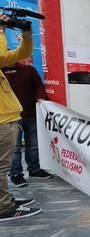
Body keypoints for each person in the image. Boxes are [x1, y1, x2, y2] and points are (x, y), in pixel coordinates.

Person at [0, 15, 42, 221]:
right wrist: (0, 29)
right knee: (2, 166)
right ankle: (3, 207)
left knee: (3, 165)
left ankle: (4, 199)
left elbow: (21, 53)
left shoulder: (24, 67)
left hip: (7, 116)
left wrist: (26, 34)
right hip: (1, 119)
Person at [2, 57, 52, 187]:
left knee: (34, 145)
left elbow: (39, 86)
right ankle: (15, 174)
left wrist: (40, 97)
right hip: (11, 117)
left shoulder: (29, 70)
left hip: (31, 114)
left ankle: (35, 170)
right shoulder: (1, 72)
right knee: (15, 148)